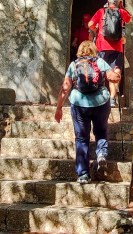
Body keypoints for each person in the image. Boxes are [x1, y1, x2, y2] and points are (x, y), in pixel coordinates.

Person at [54, 40, 121, 183]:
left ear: (79, 51)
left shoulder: (73, 65)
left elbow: (65, 87)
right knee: (101, 131)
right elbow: (112, 78)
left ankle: (83, 174)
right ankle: (101, 153)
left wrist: (59, 108)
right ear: (94, 50)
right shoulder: (100, 62)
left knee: (81, 138)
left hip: (79, 104)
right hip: (101, 102)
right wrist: (117, 74)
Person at [88, 0, 131, 107]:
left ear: (109, 0)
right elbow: (129, 19)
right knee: (115, 71)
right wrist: (122, 7)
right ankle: (112, 99)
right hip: (117, 49)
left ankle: (98, 97)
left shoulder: (101, 11)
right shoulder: (121, 12)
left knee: (100, 71)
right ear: (119, 2)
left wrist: (96, 29)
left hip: (102, 46)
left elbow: (90, 24)